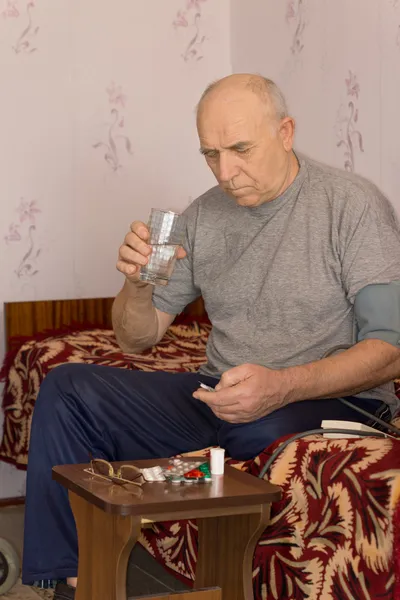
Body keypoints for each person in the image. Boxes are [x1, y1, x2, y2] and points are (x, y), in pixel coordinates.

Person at [23, 73, 400, 599]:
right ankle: (70, 578)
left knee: (255, 431)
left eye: (241, 149)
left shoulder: (352, 205)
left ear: (286, 132)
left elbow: (390, 349)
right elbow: (137, 338)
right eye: (210, 154)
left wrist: (282, 385)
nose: (226, 172)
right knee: (68, 390)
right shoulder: (202, 215)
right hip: (221, 394)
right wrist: (136, 284)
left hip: (330, 398)